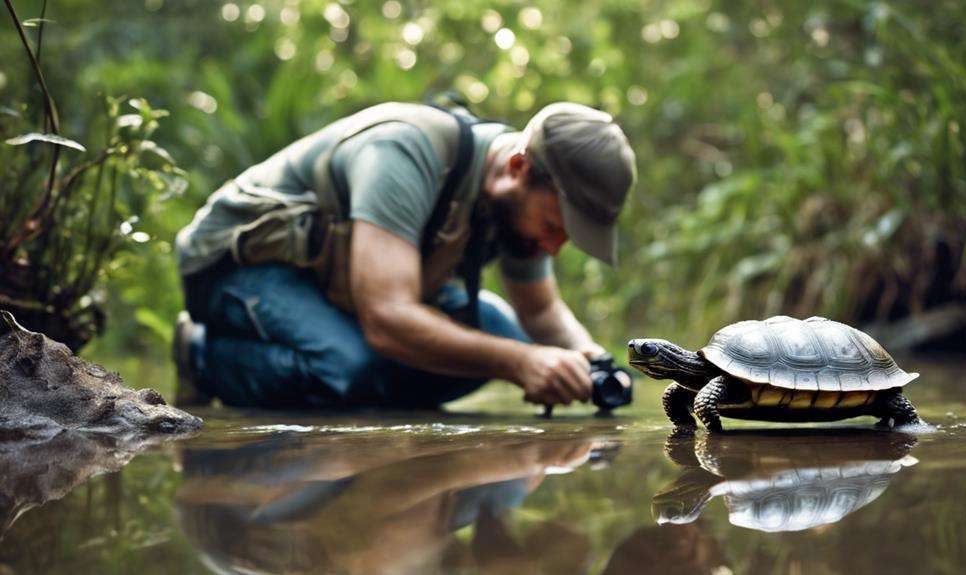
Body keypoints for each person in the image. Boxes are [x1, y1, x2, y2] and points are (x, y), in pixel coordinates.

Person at [172, 100, 636, 409]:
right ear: (518, 168)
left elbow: (541, 309)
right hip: (237, 267)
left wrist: (589, 357)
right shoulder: (406, 151)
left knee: (497, 330)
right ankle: (202, 355)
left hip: (338, 291)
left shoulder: (513, 204)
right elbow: (387, 318)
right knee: (348, 368)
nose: (554, 246)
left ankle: (357, 388)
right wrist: (521, 362)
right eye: (554, 228)